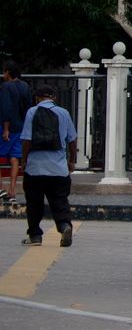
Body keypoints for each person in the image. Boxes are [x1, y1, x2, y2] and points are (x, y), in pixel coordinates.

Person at [18, 86, 76, 247]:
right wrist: (71, 161)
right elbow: (72, 140)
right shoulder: (63, 113)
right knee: (60, 201)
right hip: (58, 168)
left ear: (37, 98)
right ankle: (64, 226)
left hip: (35, 168)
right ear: (53, 98)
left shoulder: (32, 112)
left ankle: (35, 236)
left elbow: (27, 140)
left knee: (34, 203)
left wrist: (24, 161)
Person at [0, 63, 29, 204]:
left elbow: (6, 109)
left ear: (8, 73)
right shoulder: (25, 86)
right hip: (21, 126)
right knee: (15, 158)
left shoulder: (6, 87)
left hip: (8, 127)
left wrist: (6, 128)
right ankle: (12, 191)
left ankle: (1, 189)